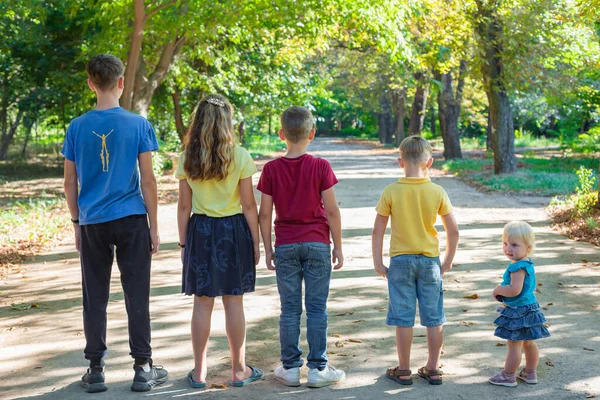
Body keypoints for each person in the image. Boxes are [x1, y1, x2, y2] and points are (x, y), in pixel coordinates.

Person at [62, 54, 167, 393]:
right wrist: (154, 225)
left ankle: (95, 369)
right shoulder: (138, 125)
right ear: (121, 82)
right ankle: (143, 367)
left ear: (91, 83)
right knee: (137, 294)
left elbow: (69, 183)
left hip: (93, 222)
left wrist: (77, 222)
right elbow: (148, 181)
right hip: (132, 219)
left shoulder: (77, 127)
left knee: (95, 297)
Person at [176, 94, 263, 388]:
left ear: (197, 121)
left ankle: (199, 372)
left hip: (200, 232)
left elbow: (183, 207)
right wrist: (256, 242)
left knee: (202, 304)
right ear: (228, 122)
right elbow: (249, 206)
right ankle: (239, 371)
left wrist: (183, 243)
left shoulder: (187, 157)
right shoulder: (240, 156)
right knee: (233, 302)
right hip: (233, 232)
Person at [257, 106, 345, 388]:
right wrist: (338, 246)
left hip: (285, 245)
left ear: (282, 134)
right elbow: (332, 211)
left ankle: (291, 368)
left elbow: (264, 213)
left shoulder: (271, 169)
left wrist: (268, 248)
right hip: (318, 244)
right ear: (312, 134)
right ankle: (318, 368)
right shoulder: (321, 166)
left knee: (290, 309)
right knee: (317, 308)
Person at [372, 135, 459, 386]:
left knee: (403, 318)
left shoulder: (391, 191)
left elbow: (378, 230)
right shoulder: (437, 191)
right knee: (434, 317)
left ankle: (404, 369)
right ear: (429, 162)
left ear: (400, 162)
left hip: (400, 262)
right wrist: (448, 261)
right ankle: (432, 368)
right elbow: (453, 231)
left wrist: (378, 262)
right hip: (430, 261)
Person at [489, 221, 550, 387]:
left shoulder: (517, 268)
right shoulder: (527, 263)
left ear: (528, 247)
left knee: (514, 344)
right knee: (529, 343)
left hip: (518, 311)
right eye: (505, 243)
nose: (508, 248)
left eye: (514, 245)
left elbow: (514, 290)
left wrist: (499, 289)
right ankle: (530, 373)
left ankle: (508, 376)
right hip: (530, 308)